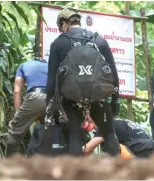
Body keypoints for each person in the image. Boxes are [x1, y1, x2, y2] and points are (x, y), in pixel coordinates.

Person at [46, 7, 120, 156]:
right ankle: (122, 174)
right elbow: (113, 73)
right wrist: (115, 100)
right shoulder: (99, 41)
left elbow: (52, 80)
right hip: (98, 98)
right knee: (109, 133)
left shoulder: (59, 44)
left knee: (75, 136)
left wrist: (50, 106)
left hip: (71, 100)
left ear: (63, 24)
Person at [6, 58, 48, 157]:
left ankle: (10, 165)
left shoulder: (23, 65)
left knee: (14, 133)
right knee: (51, 131)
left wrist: (17, 114)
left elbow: (17, 91)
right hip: (53, 99)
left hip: (35, 97)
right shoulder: (51, 66)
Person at [83, 118, 154, 158]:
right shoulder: (116, 121)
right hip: (152, 148)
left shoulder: (105, 125)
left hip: (143, 150)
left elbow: (87, 149)